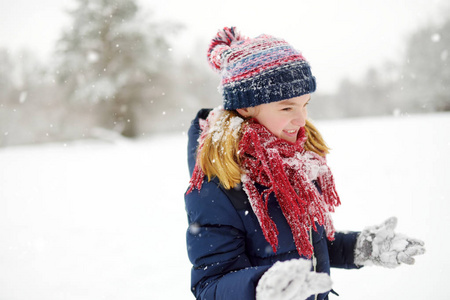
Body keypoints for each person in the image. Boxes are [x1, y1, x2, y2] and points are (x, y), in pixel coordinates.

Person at [184, 27, 425, 300]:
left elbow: (306, 246)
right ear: (245, 107)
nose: (301, 121)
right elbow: (211, 285)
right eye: (287, 108)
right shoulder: (216, 187)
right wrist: (260, 287)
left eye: (305, 104)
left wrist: (361, 247)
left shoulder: (295, 165)